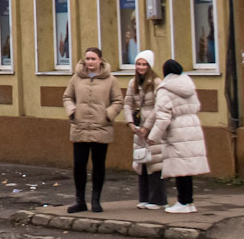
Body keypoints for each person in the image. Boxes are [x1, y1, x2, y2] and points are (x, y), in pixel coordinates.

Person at [62, 46, 122, 213]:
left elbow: (118, 101)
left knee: (98, 165)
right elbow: (67, 97)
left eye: (93, 59)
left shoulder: (111, 80)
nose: (90, 62)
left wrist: (108, 114)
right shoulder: (76, 78)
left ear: (100, 60)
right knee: (79, 165)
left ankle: (96, 200)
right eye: (87, 58)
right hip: (80, 127)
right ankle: (80, 200)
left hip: (100, 127)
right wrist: (72, 111)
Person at [149, 59, 209, 213]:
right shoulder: (188, 85)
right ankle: (189, 202)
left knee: (180, 168)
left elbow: (163, 117)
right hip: (192, 125)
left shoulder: (165, 89)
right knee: (187, 168)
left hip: (177, 129)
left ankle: (182, 202)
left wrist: (153, 136)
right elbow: (197, 105)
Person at [122, 50, 166, 209]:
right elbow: (127, 104)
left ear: (149, 66)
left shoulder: (157, 82)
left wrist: (147, 127)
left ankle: (158, 199)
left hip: (152, 126)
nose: (141, 67)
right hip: (138, 125)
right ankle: (144, 197)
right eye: (138, 64)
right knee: (141, 161)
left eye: (144, 64)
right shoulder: (132, 83)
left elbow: (158, 107)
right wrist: (130, 122)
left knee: (155, 162)